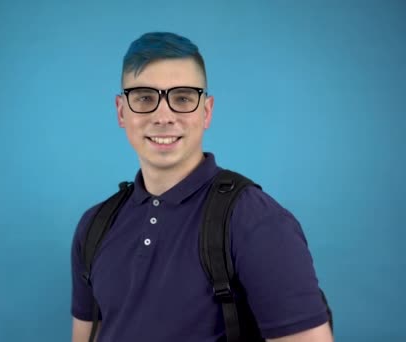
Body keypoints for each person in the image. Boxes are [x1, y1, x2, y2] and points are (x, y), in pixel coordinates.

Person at [70, 32, 333, 342]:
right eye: (144, 98)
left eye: (182, 98)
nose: (163, 116)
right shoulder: (94, 226)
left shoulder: (256, 222)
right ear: (121, 111)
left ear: (206, 111)